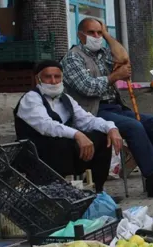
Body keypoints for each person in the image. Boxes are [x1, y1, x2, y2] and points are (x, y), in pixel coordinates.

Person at [61, 17, 153, 197]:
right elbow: (88, 88)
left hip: (116, 107)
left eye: (99, 33)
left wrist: (107, 35)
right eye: (92, 33)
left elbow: (123, 58)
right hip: (93, 111)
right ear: (80, 35)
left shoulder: (103, 53)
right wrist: (114, 77)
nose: (96, 36)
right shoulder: (72, 58)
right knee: (134, 127)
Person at [14, 60, 119, 193]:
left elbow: (87, 120)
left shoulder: (66, 99)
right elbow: (47, 126)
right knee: (64, 141)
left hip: (63, 154)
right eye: (48, 77)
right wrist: (78, 134)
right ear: (38, 79)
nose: (53, 81)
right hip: (38, 155)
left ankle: (97, 192)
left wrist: (111, 127)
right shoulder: (31, 98)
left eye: (57, 77)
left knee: (102, 138)